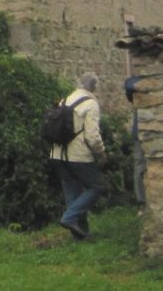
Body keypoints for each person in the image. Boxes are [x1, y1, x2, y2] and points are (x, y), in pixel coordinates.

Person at [50, 72, 108, 240]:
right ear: (94, 87)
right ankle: (69, 218)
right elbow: (92, 136)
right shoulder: (90, 104)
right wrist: (101, 153)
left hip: (58, 154)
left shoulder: (65, 100)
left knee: (72, 193)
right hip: (79, 155)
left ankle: (80, 236)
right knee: (97, 186)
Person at [124, 75, 147, 207]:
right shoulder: (136, 81)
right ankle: (141, 201)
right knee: (139, 167)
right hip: (139, 133)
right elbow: (129, 86)